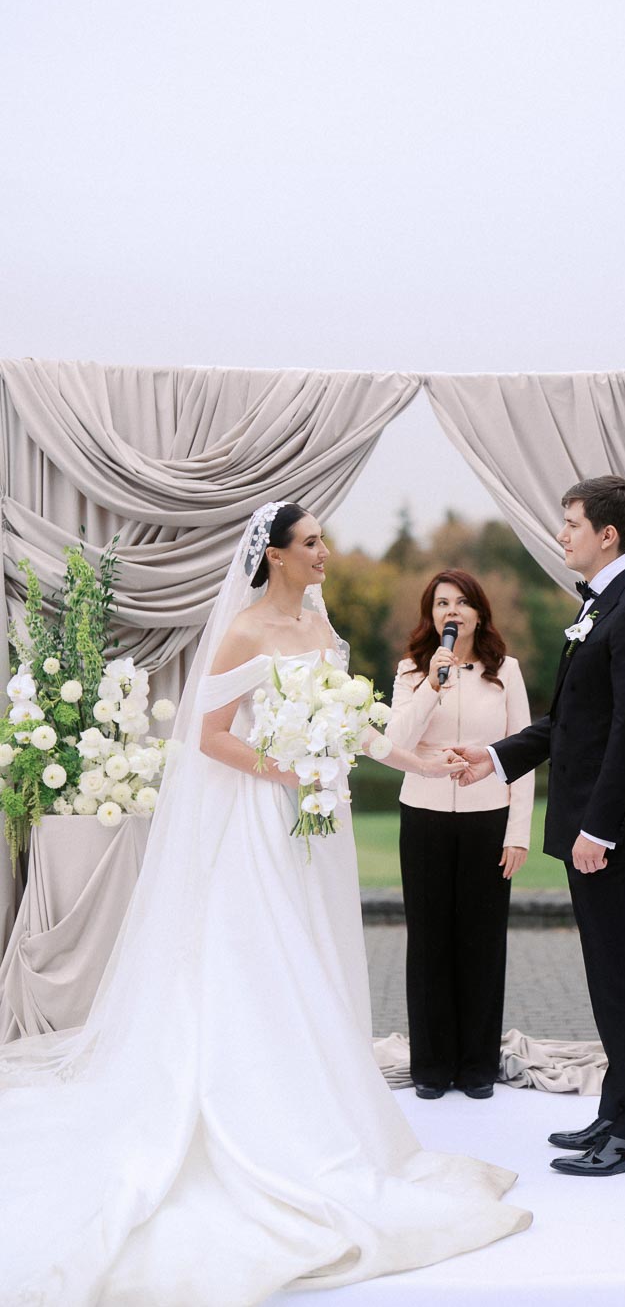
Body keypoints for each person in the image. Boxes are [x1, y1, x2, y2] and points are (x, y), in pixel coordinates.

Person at [0, 502, 530, 1304]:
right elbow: (210, 735)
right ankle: (254, 1116)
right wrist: (286, 769)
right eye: (312, 543)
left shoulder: (320, 627)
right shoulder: (245, 630)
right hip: (260, 815)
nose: (325, 553)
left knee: (312, 953)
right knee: (261, 953)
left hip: (319, 821)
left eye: (323, 541)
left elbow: (352, 726)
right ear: (276, 555)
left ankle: (320, 1113)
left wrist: (425, 761)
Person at [455, 476, 625, 1178]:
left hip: (624, 835)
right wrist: (493, 757)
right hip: (599, 830)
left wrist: (600, 831)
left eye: (571, 523)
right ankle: (620, 1112)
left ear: (607, 535)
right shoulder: (601, 611)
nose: (562, 534)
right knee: (611, 980)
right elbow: (569, 724)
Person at [387, 570, 534, 1101]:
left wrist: (517, 833)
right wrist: (432, 682)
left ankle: (477, 1066)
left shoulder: (505, 672)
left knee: (481, 941)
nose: (451, 611)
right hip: (423, 814)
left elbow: (522, 755)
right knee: (428, 942)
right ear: (431, 615)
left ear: (478, 613)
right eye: (441, 603)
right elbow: (395, 740)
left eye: (461, 602)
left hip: (487, 818)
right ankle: (431, 1066)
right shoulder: (411, 671)